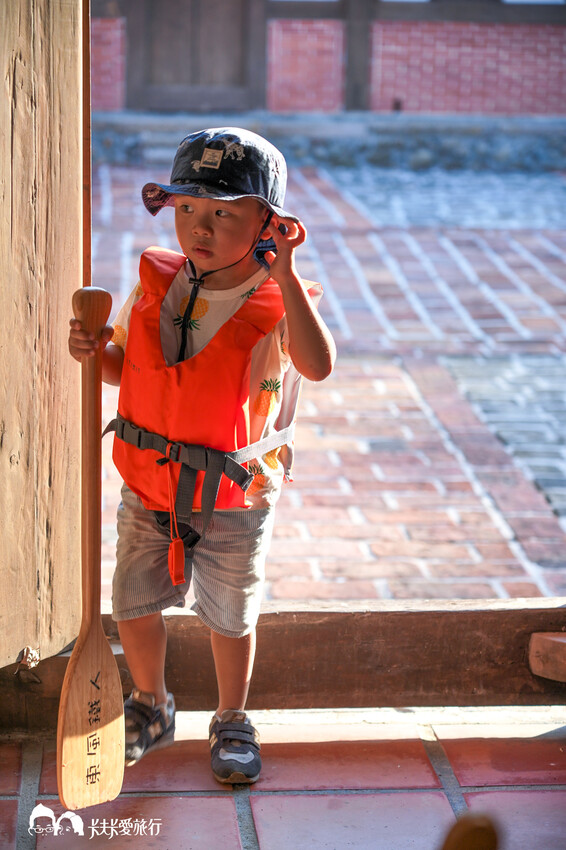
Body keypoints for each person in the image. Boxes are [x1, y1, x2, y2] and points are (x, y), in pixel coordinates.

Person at [68, 127, 336, 785]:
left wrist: (287, 276)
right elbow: (127, 369)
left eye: (224, 212)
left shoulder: (276, 301)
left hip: (232, 494)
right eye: (187, 207)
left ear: (269, 224)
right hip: (148, 484)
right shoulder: (155, 285)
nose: (199, 226)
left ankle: (232, 716)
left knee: (230, 614)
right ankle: (151, 703)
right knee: (133, 601)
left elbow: (318, 366)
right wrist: (93, 352)